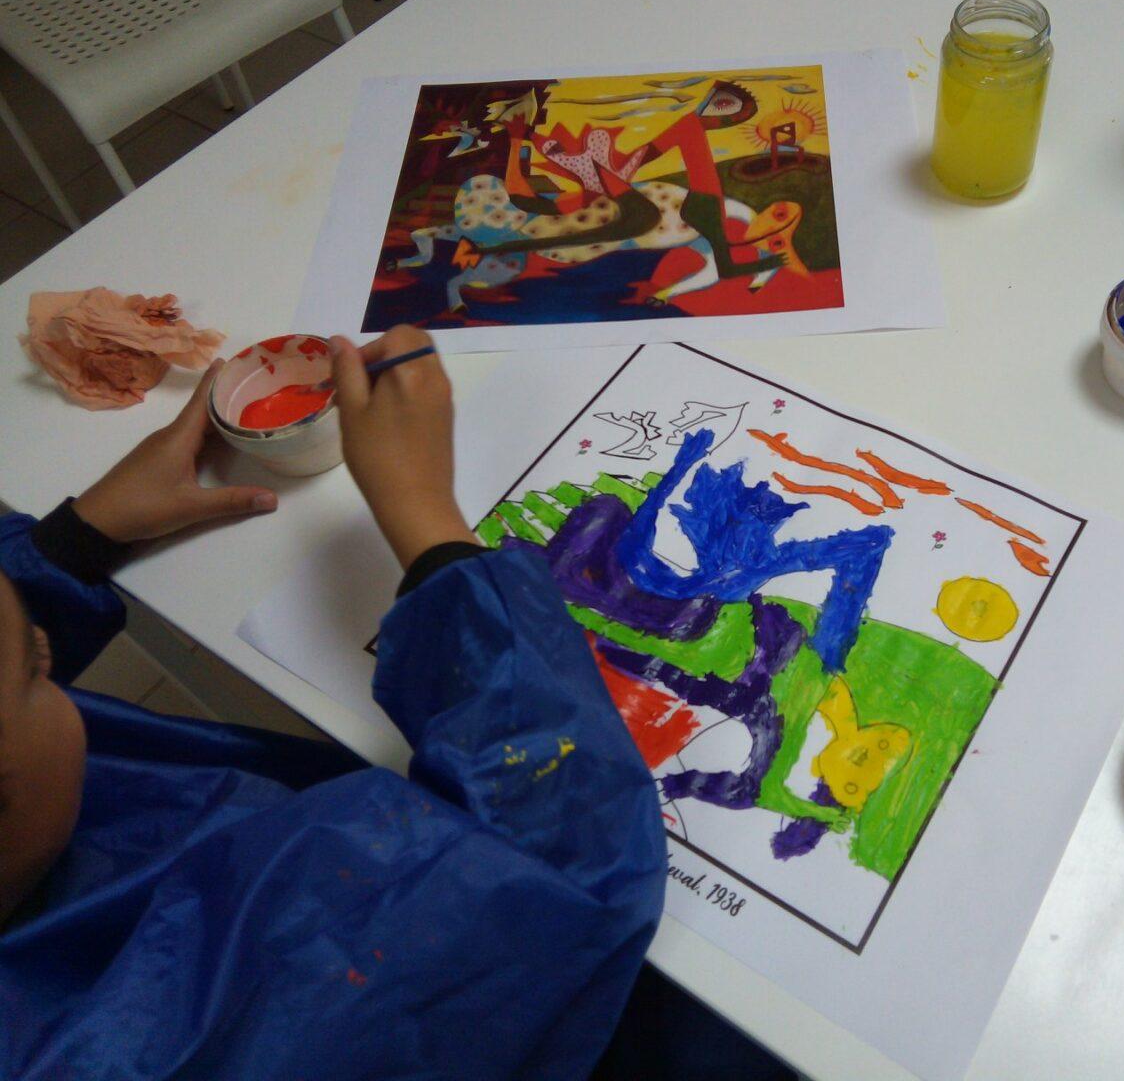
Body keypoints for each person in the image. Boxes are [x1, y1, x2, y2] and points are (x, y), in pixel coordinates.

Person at [0, 328, 667, 1080]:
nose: (42, 643)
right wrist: (426, 521)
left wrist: (69, 545)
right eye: (33, 664)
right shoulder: (207, 1018)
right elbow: (568, 860)